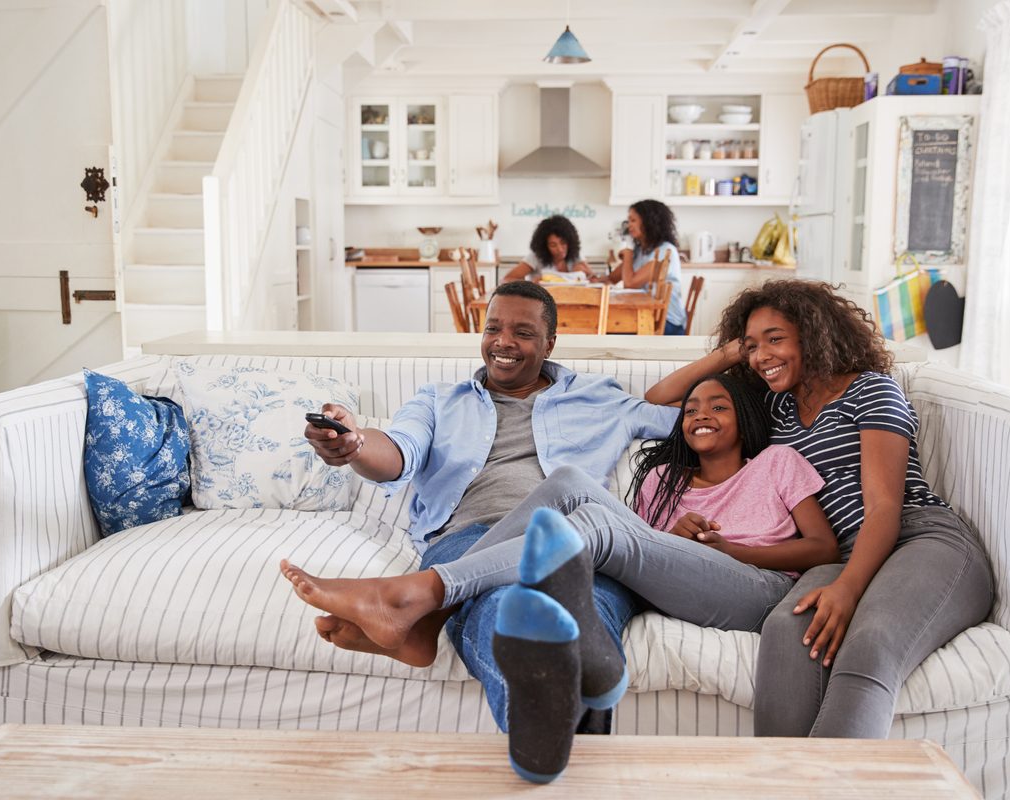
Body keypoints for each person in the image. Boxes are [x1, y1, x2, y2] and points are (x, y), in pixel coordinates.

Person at [282, 372, 840, 779]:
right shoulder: (661, 480)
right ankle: (428, 614)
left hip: (757, 588)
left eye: (718, 406)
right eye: (691, 407)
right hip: (689, 585)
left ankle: (424, 598)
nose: (700, 414)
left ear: (745, 419)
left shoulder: (776, 464)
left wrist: (729, 547)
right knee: (569, 483)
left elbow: (822, 547)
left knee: (592, 524)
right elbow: (648, 560)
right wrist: (677, 539)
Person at [292, 279, 678, 749]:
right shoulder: (439, 399)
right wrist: (354, 444)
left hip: (578, 546)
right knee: (506, 613)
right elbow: (398, 450)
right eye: (493, 328)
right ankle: (555, 748)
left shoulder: (600, 397)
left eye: (523, 332)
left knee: (586, 623)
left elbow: (698, 423)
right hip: (471, 541)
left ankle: (561, 755)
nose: (503, 342)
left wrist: (731, 357)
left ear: (550, 343)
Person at [645, 279, 994, 739]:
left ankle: (828, 776)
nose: (762, 356)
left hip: (919, 538)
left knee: (870, 643)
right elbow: (662, 397)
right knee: (787, 629)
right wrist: (735, 351)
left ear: (813, 334)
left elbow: (884, 506)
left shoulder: (872, 390)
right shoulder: (777, 406)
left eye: (775, 339)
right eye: (753, 345)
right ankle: (781, 772)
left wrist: (847, 588)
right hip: (838, 553)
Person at [604, 199, 685, 334]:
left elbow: (630, 284)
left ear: (649, 222)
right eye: (628, 221)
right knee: (607, 326)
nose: (629, 225)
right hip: (647, 315)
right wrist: (591, 278)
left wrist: (628, 255)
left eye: (633, 220)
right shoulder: (641, 250)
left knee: (608, 329)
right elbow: (612, 278)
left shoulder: (664, 251)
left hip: (666, 322)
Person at [503, 215, 598, 283]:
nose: (560, 249)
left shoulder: (576, 255)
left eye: (563, 243)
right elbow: (507, 279)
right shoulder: (535, 257)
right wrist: (531, 284)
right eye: (553, 245)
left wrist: (586, 274)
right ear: (544, 246)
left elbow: (595, 279)